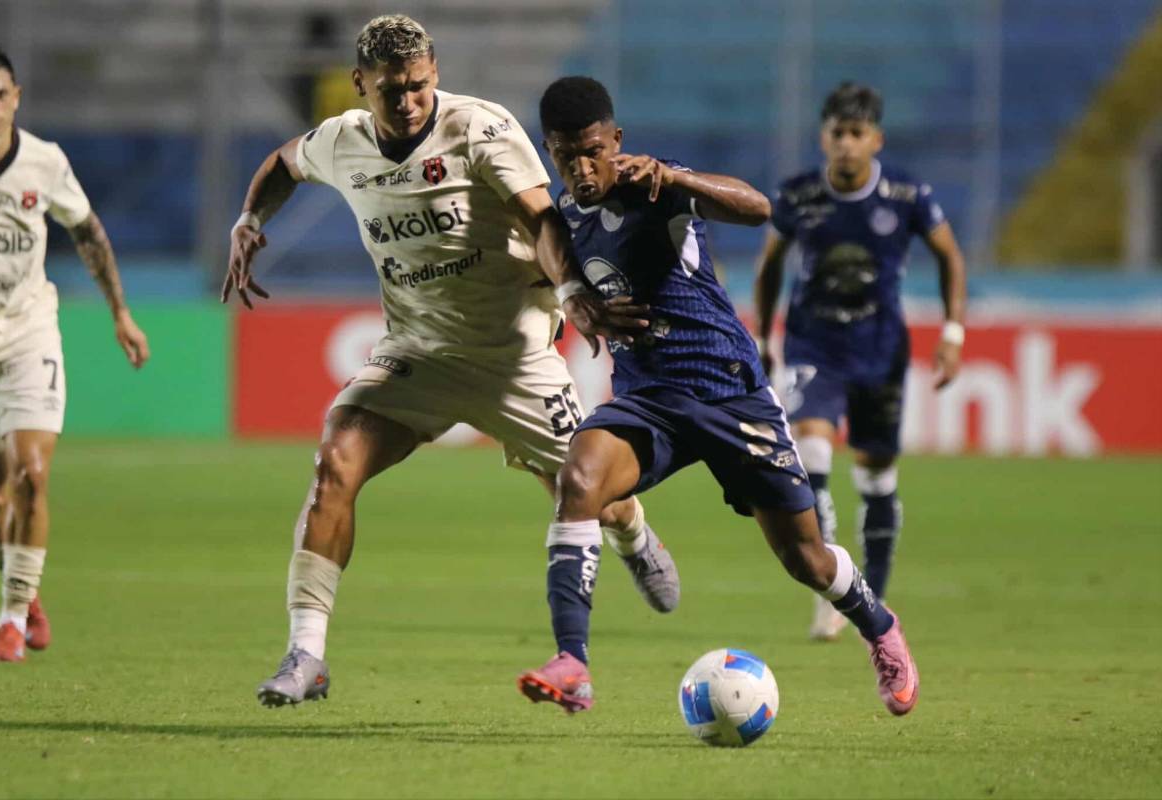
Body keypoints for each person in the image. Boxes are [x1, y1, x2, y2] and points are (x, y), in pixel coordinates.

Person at [221, 15, 678, 708]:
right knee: (333, 465)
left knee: (594, 496)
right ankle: (306, 655)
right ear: (359, 85)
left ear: (434, 71)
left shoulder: (480, 129)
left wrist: (574, 290)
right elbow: (283, 163)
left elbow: (541, 219)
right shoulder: (342, 141)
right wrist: (250, 223)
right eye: (390, 90)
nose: (407, 101)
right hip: (418, 354)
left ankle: (634, 535)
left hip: (515, 357)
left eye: (418, 85)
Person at [517, 76, 918, 717]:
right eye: (565, 154)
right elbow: (541, 238)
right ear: (550, 151)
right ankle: (573, 663)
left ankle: (881, 628)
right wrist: (576, 302)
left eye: (593, 149)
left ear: (615, 140)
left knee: (806, 558)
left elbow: (759, 208)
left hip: (730, 395)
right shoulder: (564, 220)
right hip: (650, 401)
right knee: (579, 479)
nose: (581, 166)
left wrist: (680, 181)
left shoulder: (655, 186)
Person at [755, 83, 967, 640]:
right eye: (837, 134)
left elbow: (950, 256)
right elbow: (770, 265)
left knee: (876, 476)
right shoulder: (798, 194)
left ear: (876, 138)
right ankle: (831, 591)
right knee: (811, 448)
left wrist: (952, 332)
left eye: (856, 134)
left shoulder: (905, 193)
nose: (846, 145)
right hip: (813, 344)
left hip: (880, 349)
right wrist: (762, 334)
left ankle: (873, 593)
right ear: (823, 137)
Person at [0, 45, 150, 662]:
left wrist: (119, 311)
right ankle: (26, 590)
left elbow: (88, 231)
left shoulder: (43, 162)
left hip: (27, 334)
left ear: (16, 97)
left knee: (31, 477)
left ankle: (12, 618)